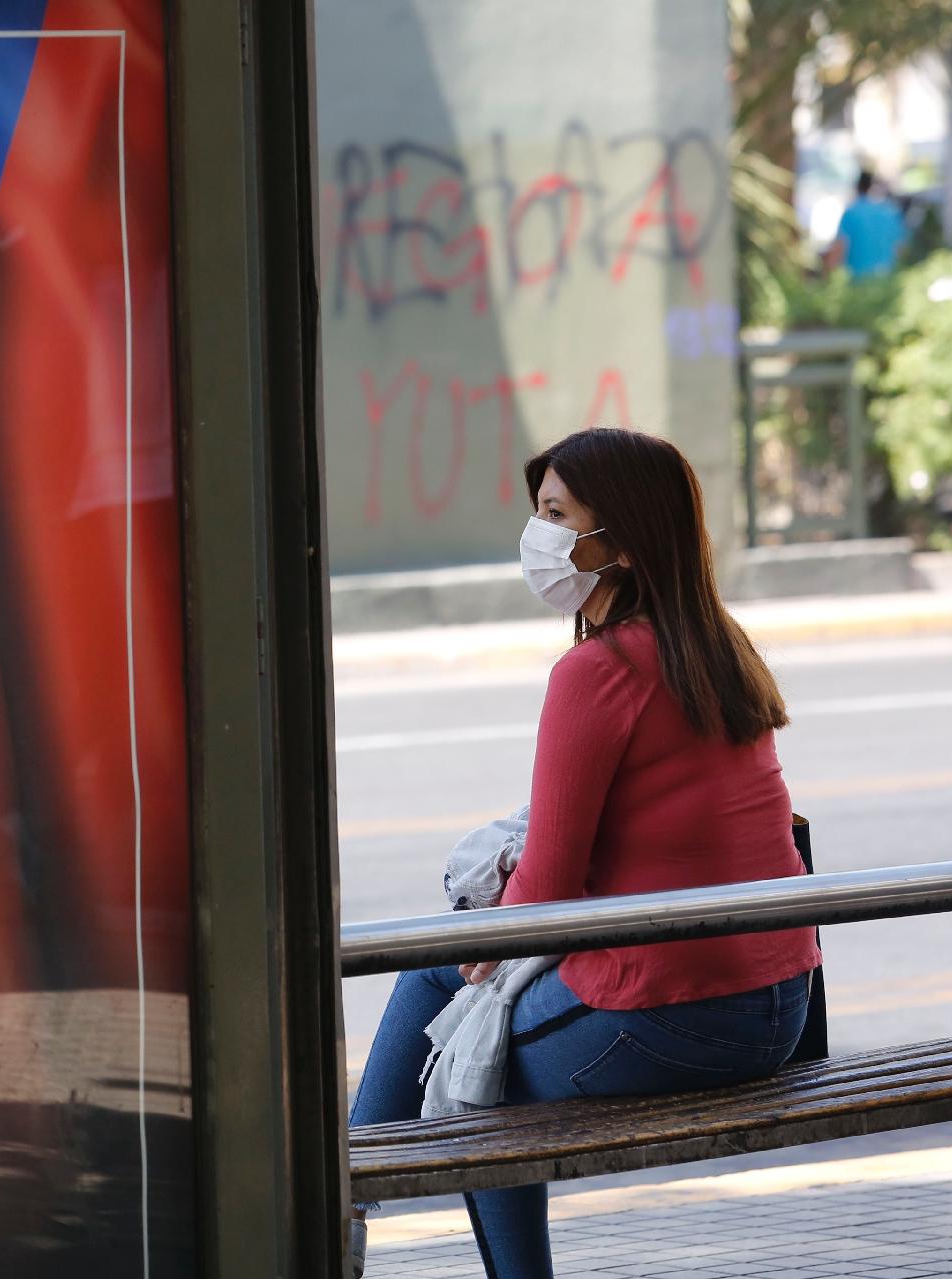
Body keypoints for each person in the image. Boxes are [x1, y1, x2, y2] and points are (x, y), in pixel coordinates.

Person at [346, 428, 820, 1279]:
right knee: (457, 988)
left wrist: (480, 941)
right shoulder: (715, 647)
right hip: (780, 1005)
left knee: (454, 1018)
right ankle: (348, 1184)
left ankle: (341, 1195)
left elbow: (546, 894)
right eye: (538, 513)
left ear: (624, 542)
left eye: (559, 516)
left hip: (682, 1013)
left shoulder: (597, 671)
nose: (540, 537)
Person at [824, 169, 907, 276]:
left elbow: (839, 248)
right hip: (887, 281)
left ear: (857, 187)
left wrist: (828, 276)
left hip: (858, 282)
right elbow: (900, 249)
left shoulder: (852, 212)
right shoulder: (891, 213)